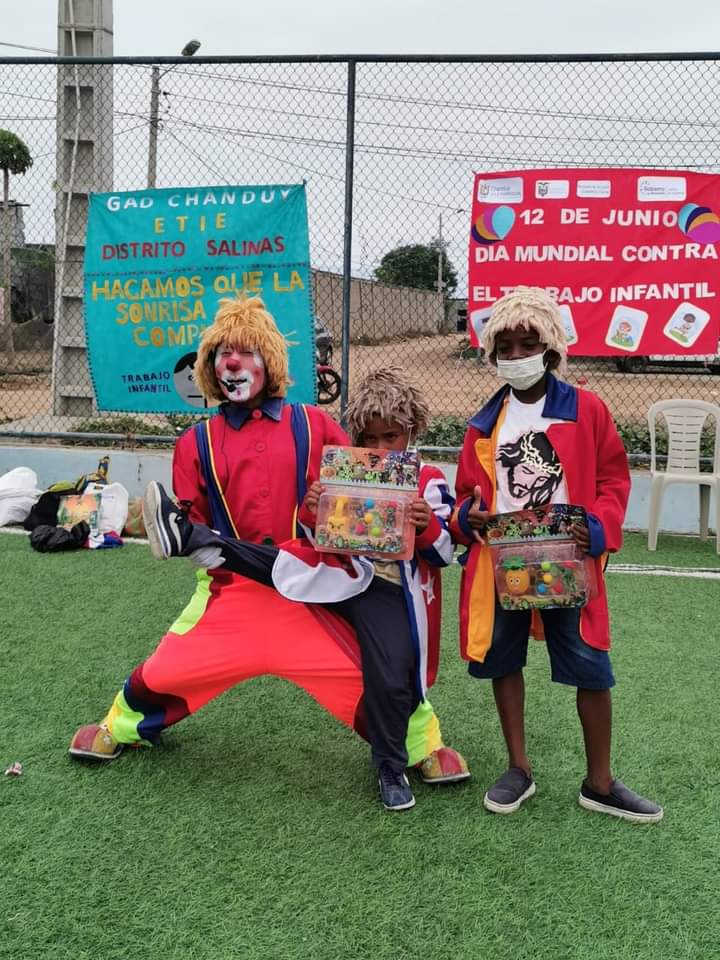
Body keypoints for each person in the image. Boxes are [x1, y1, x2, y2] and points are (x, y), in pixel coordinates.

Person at [69, 297, 468, 799]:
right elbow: (194, 512)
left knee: (381, 675)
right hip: (229, 593)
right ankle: (121, 723)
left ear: (272, 361)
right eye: (223, 353)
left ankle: (421, 745)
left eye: (248, 352)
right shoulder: (195, 442)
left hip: (310, 593)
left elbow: (359, 504)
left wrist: (330, 512)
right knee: (166, 671)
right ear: (208, 365)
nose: (234, 364)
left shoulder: (316, 425)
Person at [142, 366, 469, 811]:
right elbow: (322, 539)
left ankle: (390, 767)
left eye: (390, 437)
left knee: (391, 676)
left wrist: (425, 525)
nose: (378, 450)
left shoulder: (427, 479)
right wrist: (314, 513)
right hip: (337, 573)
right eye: (369, 439)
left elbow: (446, 552)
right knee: (278, 563)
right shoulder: (345, 471)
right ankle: (192, 537)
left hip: (385, 589)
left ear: (412, 432)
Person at [450, 286, 663, 823]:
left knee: (590, 663)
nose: (517, 356)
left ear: (551, 347)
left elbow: (613, 477)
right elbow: (466, 496)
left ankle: (600, 781)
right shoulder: (484, 422)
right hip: (503, 563)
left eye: (528, 345)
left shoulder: (585, 409)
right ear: (491, 354)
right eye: (505, 347)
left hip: (569, 561)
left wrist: (599, 526)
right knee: (504, 659)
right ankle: (518, 768)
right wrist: (465, 518)